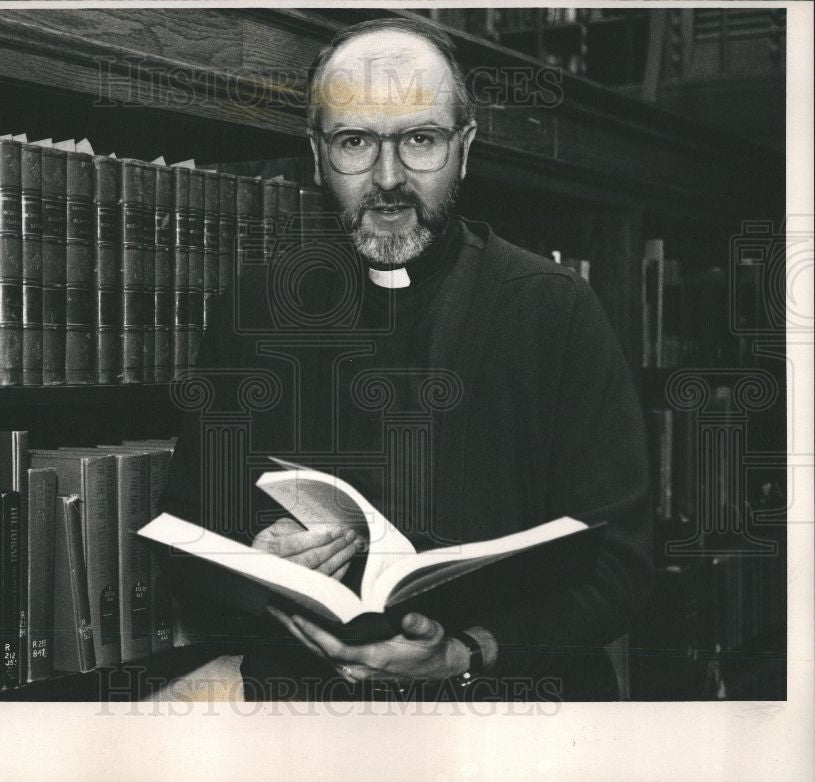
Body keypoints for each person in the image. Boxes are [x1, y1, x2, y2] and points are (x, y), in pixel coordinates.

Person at [160, 16, 652, 701]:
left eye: (420, 140)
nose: (388, 179)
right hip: (311, 727)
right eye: (355, 142)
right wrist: (251, 564)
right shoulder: (256, 311)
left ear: (465, 147)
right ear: (315, 151)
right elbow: (187, 539)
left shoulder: (557, 310)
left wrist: (466, 652)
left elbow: (624, 572)